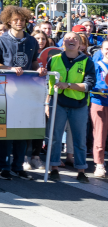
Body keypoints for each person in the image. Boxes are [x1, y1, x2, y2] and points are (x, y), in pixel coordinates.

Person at [0, 6, 47, 180]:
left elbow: (34, 62)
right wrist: (9, 68)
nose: (19, 22)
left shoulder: (31, 41)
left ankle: (18, 165)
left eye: (22, 19)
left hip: (26, 91)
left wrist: (40, 69)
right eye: (15, 20)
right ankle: (4, 166)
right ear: (8, 21)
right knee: (6, 131)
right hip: (5, 90)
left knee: (22, 130)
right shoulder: (0, 41)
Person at [45, 32, 94, 183]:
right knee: (55, 138)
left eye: (75, 39)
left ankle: (81, 170)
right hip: (58, 103)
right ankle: (54, 168)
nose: (71, 41)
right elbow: (47, 84)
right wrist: (47, 103)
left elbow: (88, 85)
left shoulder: (87, 61)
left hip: (78, 105)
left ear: (80, 44)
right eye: (67, 38)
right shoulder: (53, 59)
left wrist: (68, 85)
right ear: (63, 43)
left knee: (79, 140)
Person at [92, 40, 108, 178]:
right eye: (106, 48)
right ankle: (99, 164)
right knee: (100, 134)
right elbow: (90, 82)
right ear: (102, 50)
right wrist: (98, 89)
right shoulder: (96, 65)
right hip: (99, 101)